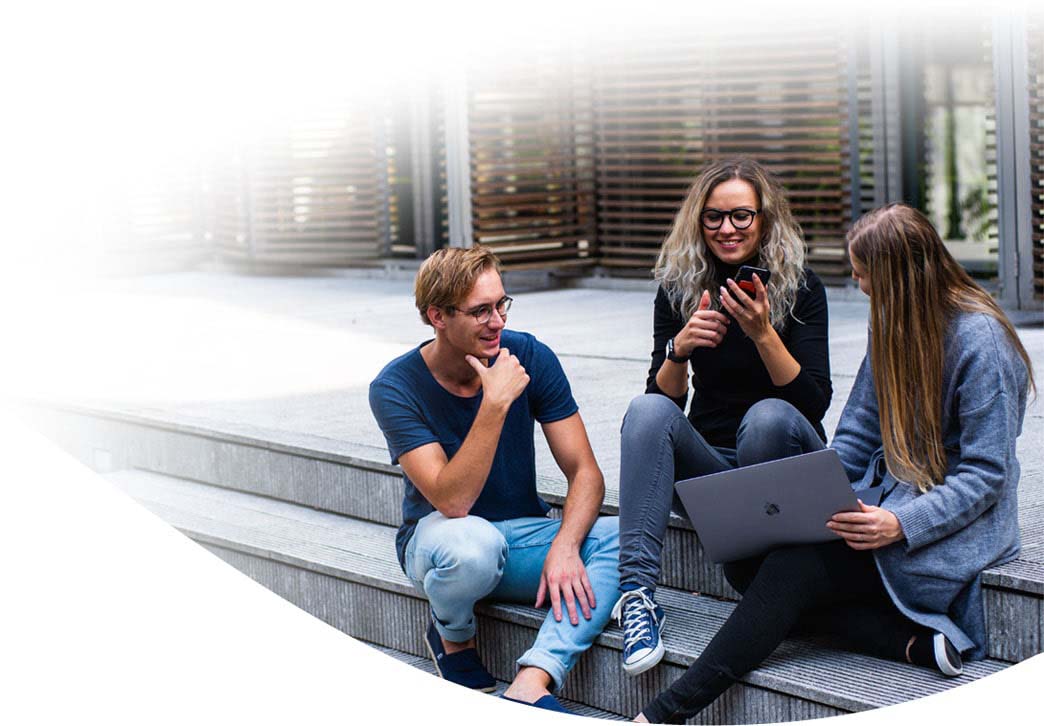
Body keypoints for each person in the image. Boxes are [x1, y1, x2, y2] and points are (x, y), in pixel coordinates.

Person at [634, 203, 1035, 723]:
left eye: (864, 273)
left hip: (947, 530)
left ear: (899, 276)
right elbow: (854, 439)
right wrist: (810, 495)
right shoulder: (892, 324)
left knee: (790, 570)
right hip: (882, 507)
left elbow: (986, 476)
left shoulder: (982, 342)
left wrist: (899, 523)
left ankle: (668, 712)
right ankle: (904, 641)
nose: (858, 283)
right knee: (744, 564)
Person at [368, 246, 621, 714]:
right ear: (437, 316)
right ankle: (453, 637)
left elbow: (586, 472)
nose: (497, 321)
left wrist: (565, 547)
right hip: (441, 541)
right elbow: (452, 500)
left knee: (622, 538)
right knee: (472, 546)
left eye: (502, 304)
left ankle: (532, 680)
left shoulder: (527, 354)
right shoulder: (394, 387)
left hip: (521, 534)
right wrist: (494, 403)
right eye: (481, 310)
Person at [612, 158, 832, 674]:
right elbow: (662, 406)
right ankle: (638, 599)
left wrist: (762, 332)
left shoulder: (800, 287)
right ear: (697, 220)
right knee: (645, 411)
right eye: (713, 217)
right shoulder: (679, 287)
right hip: (715, 474)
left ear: (764, 219)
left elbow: (813, 403)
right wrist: (679, 350)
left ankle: (769, 576)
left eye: (741, 216)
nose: (726, 229)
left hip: (784, 464)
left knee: (767, 418)